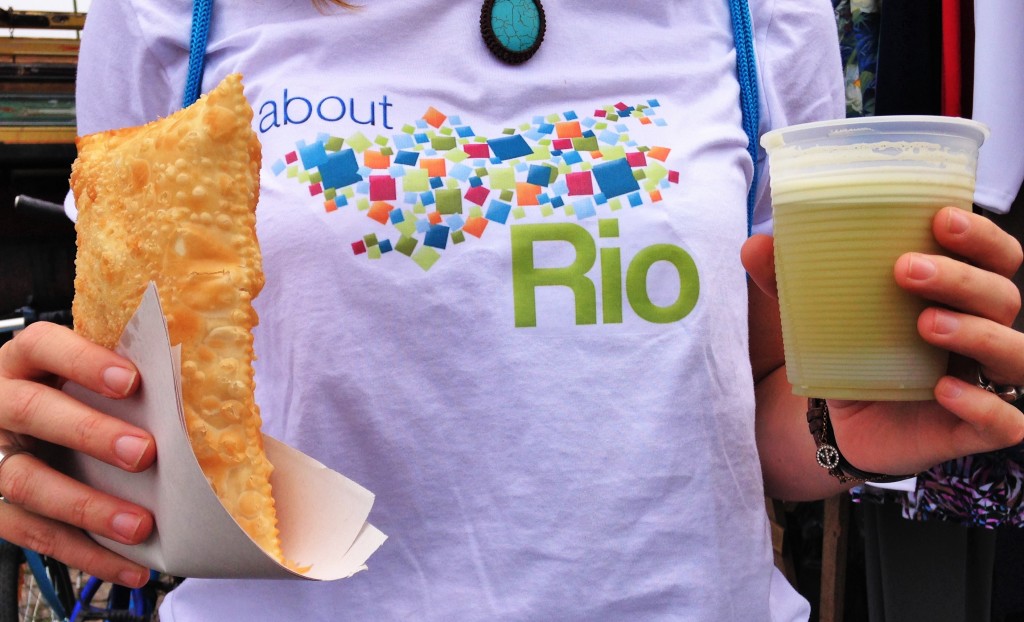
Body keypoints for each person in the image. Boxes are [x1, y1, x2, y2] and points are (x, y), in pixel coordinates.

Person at [1, 0, 1022, 619]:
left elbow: (749, 411)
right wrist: (54, 441)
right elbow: (138, 399)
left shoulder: (756, 20)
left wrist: (846, 433)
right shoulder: (172, 18)